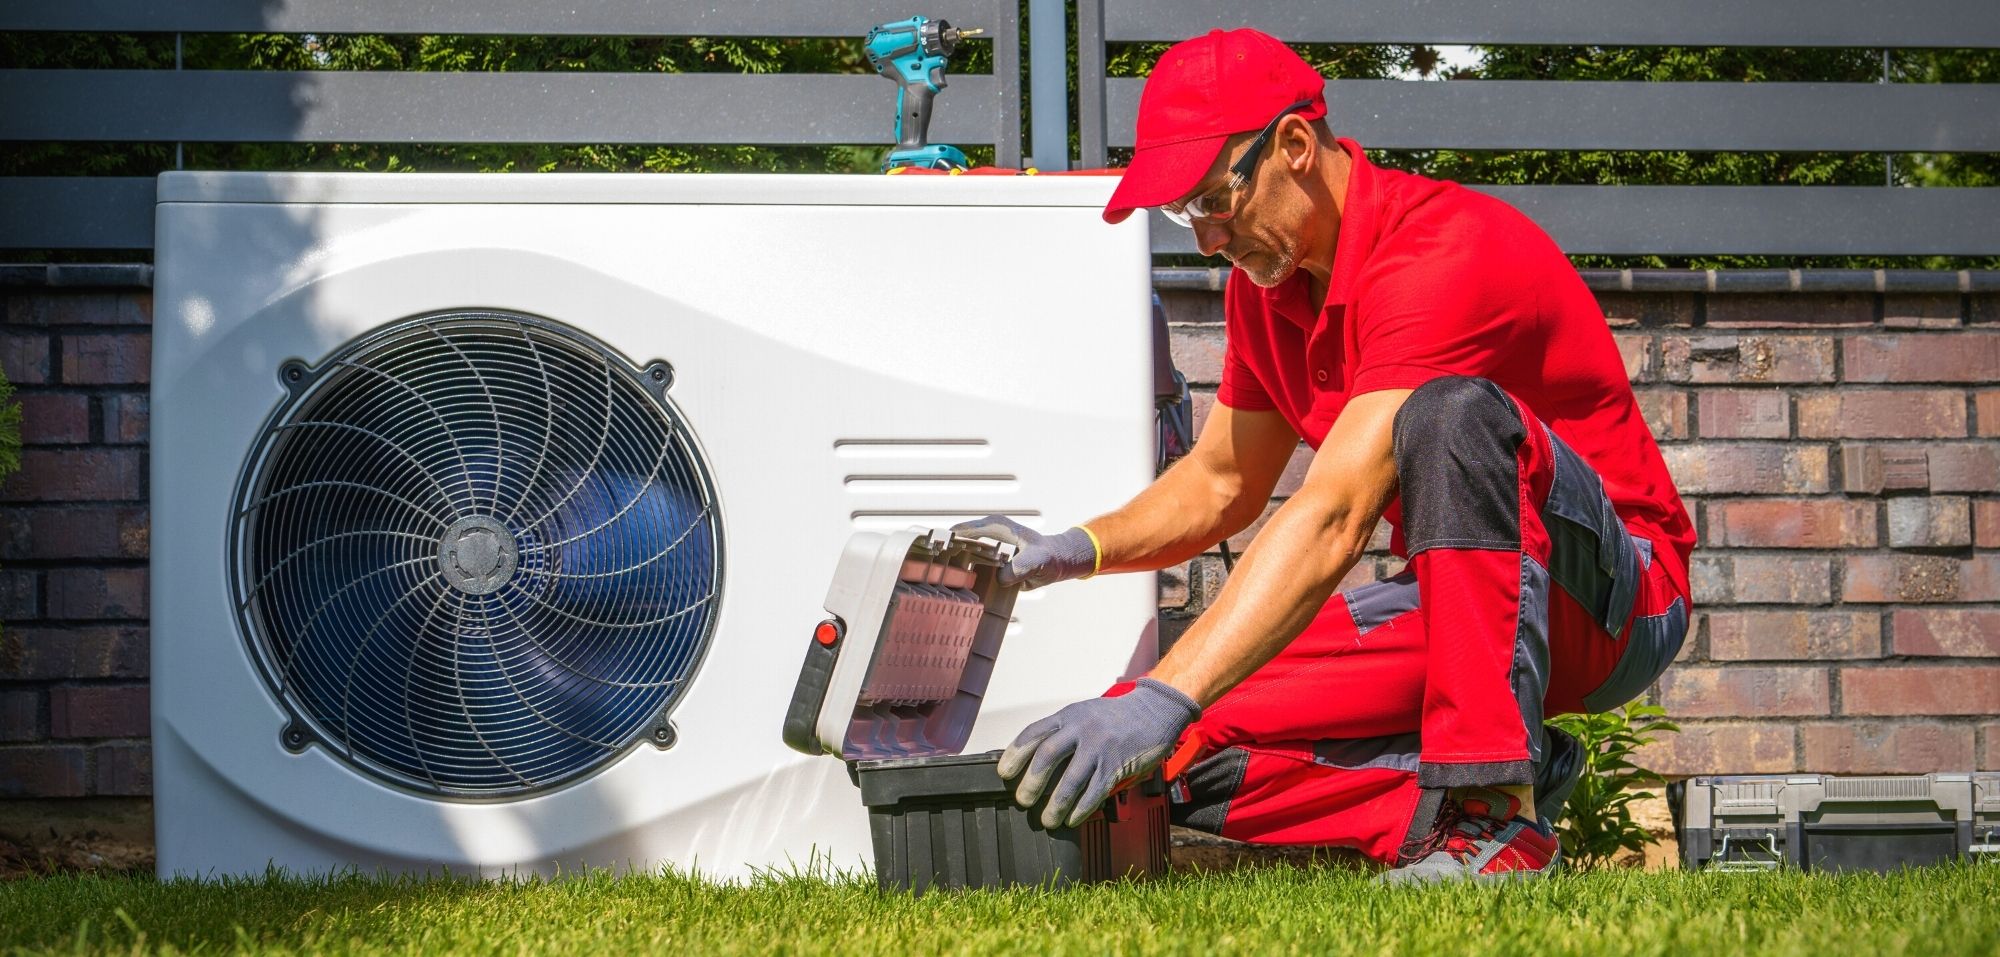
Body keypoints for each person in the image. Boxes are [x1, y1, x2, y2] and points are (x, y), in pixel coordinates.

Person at [954, 27, 1693, 883]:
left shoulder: (1441, 252)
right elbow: (1220, 481)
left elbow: (1335, 510)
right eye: (1181, 214)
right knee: (1169, 749)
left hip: (1615, 599)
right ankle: (1479, 790)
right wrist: (1069, 551)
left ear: (1295, 146)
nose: (1204, 240)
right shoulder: (1266, 290)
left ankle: (1493, 815)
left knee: (1450, 416)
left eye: (1213, 201)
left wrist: (1168, 689)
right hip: (1462, 607)